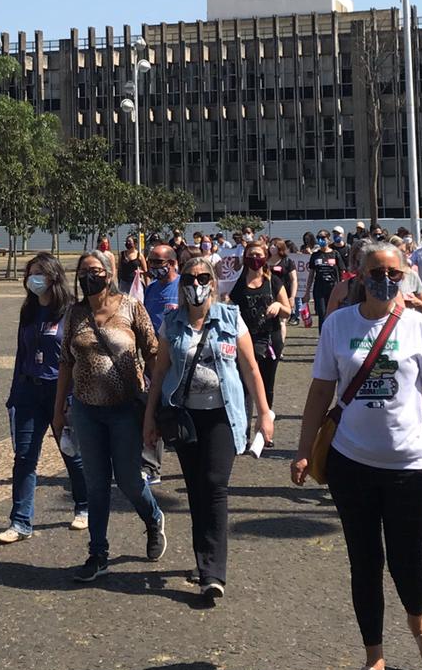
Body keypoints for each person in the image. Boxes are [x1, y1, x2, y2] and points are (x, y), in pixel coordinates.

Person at [292, 243, 422, 670]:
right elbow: (320, 391)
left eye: (393, 273)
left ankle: (418, 619)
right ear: (359, 275)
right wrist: (303, 450)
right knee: (364, 563)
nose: (385, 280)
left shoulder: (418, 326)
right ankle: (374, 659)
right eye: (376, 272)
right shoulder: (338, 325)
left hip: (409, 464)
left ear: (404, 276)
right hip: (351, 463)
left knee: (409, 561)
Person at [143, 256, 274, 601]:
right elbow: (159, 373)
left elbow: (251, 368)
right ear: (182, 284)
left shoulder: (231, 318)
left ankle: (213, 572)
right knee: (196, 489)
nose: (196, 284)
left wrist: (265, 413)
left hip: (222, 415)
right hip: (185, 417)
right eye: (190, 278)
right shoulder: (172, 323)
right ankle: (204, 559)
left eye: (203, 278)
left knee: (215, 484)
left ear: (213, 283)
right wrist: (149, 419)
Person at [53, 250, 166, 583]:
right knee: (96, 484)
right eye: (83, 271)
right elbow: (65, 363)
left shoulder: (131, 307)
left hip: (125, 409)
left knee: (130, 481)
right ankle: (98, 552)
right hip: (86, 410)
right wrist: (58, 410)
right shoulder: (75, 313)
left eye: (95, 270)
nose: (89, 276)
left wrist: (157, 404)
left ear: (109, 273)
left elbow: (154, 353)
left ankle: (153, 518)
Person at [0, 253, 88, 543]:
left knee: (71, 452)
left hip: (61, 392)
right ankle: (20, 522)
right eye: (29, 274)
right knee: (24, 457)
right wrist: (14, 395)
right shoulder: (29, 310)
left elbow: (78, 358)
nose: (32, 279)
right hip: (29, 391)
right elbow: (22, 354)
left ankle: (84, 506)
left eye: (38, 273)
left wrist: (73, 397)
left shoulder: (71, 311)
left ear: (53, 277)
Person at [227, 240, 288, 430]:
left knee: (267, 385)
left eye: (258, 255)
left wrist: (278, 306)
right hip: (246, 341)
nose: (254, 259)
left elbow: (288, 310)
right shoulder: (237, 284)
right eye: (251, 255)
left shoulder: (273, 282)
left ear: (265, 257)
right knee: (245, 386)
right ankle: (243, 432)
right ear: (245, 257)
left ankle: (265, 429)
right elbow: (229, 309)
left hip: (270, 340)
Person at [308, 232, 345, 328]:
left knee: (333, 313)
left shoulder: (335, 254)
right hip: (319, 288)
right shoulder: (315, 255)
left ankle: (333, 333)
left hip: (333, 288)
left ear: (328, 239)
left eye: (323, 238)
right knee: (322, 313)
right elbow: (311, 274)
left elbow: (342, 272)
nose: (320, 240)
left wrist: (342, 288)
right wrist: (307, 291)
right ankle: (322, 334)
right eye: (318, 238)